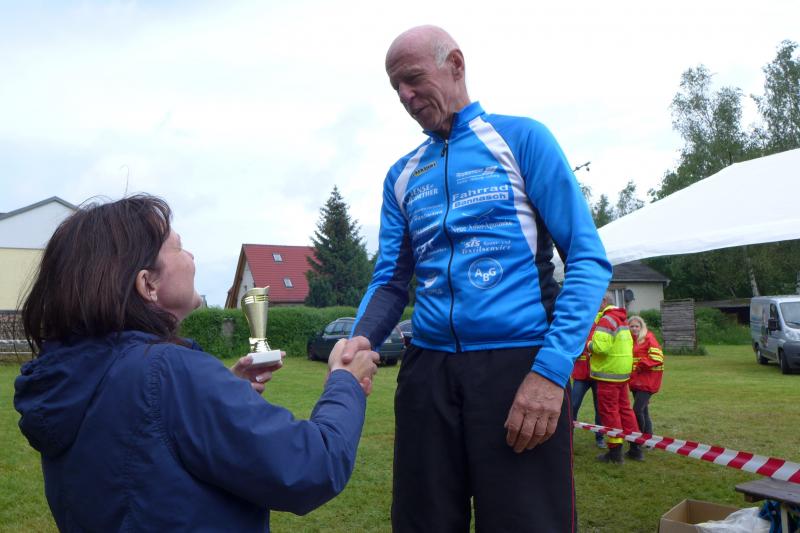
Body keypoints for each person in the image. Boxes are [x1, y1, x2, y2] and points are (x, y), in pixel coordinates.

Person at [340, 25, 612, 532]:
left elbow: (588, 259)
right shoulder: (402, 174)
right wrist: (360, 337)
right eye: (395, 86)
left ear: (456, 65)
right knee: (422, 523)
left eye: (413, 78)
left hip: (517, 366)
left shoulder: (521, 139)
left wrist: (551, 371)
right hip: (428, 371)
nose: (405, 96)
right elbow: (391, 279)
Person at [13, 195, 379, 532]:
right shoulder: (167, 373)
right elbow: (310, 467)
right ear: (148, 284)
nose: (192, 257)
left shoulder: (68, 377)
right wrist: (345, 380)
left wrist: (220, 390)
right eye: (179, 246)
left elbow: (141, 448)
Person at [588, 291, 640, 463]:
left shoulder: (606, 320)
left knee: (609, 412)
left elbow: (600, 348)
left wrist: (587, 345)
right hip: (621, 373)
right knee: (625, 410)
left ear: (603, 301)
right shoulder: (621, 319)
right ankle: (635, 448)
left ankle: (615, 453)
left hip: (608, 374)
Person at [628, 315, 664, 437]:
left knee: (637, 410)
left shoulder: (648, 338)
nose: (634, 328)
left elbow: (657, 358)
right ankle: (648, 438)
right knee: (643, 411)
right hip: (635, 380)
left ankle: (639, 437)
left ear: (641, 327)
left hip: (647, 380)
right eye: (631, 326)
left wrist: (640, 366)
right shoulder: (630, 340)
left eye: (636, 326)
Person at [570, 322, 606, 448]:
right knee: (573, 405)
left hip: (598, 375)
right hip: (581, 375)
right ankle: (568, 435)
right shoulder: (578, 327)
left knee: (599, 408)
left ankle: (600, 437)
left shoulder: (601, 328)